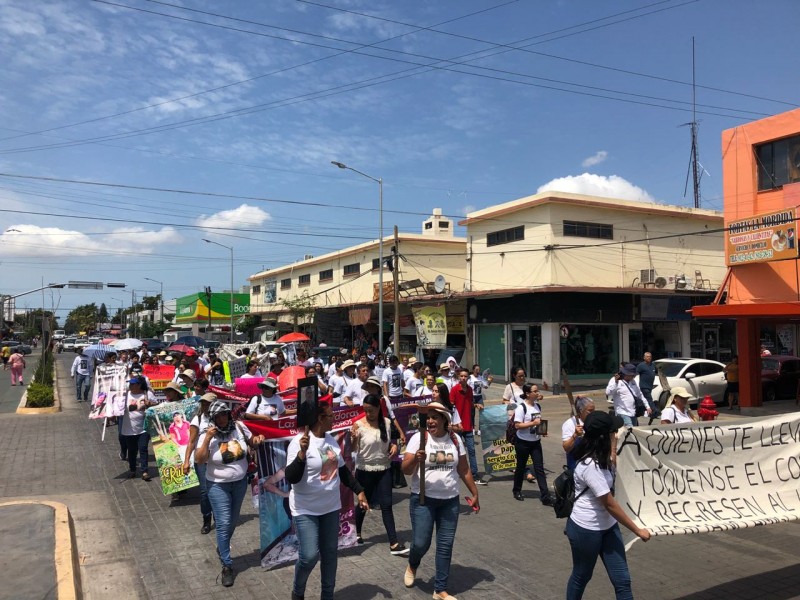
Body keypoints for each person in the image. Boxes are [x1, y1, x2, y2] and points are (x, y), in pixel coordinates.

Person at [285, 401, 369, 600]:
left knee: (330, 555)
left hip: (330, 507)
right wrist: (301, 455)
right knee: (309, 556)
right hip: (305, 508)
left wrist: (360, 491)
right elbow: (291, 477)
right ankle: (298, 592)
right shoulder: (299, 442)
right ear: (320, 419)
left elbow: (342, 471)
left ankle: (327, 596)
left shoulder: (331, 440)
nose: (334, 419)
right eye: (331, 416)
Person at [565, 411, 650, 600]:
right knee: (582, 575)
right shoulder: (590, 465)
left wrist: (612, 441)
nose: (617, 433)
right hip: (586, 530)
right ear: (604, 436)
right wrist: (637, 530)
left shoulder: (602, 456)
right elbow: (609, 504)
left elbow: (613, 460)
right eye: (613, 431)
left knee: (622, 581)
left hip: (609, 527)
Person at [401, 401, 480, 600]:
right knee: (420, 543)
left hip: (449, 502)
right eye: (428, 417)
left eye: (435, 417)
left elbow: (463, 469)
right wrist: (415, 459)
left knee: (445, 545)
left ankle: (440, 590)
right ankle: (412, 563)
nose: (430, 421)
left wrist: (475, 492)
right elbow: (406, 470)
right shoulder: (419, 438)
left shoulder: (455, 440)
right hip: (423, 500)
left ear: (445, 420)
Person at [195, 400, 265, 587]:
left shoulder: (239, 428)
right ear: (213, 418)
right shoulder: (207, 434)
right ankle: (227, 565)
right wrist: (209, 439)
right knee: (224, 522)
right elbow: (200, 459)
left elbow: (252, 442)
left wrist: (257, 441)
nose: (222, 418)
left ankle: (222, 544)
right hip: (218, 485)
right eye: (218, 416)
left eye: (224, 414)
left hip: (240, 483)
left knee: (232, 522)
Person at [350, 394, 409, 555]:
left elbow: (391, 442)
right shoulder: (358, 425)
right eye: (366, 411)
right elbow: (354, 449)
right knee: (363, 504)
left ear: (378, 408)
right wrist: (354, 439)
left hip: (384, 468)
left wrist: (394, 447)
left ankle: (394, 542)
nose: (369, 414)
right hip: (365, 470)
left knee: (386, 505)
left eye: (372, 410)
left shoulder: (387, 423)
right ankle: (357, 533)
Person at [512, 383, 554, 505]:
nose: (537, 393)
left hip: (535, 442)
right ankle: (517, 490)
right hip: (523, 443)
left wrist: (542, 431)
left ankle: (545, 496)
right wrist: (532, 423)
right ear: (528, 394)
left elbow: (538, 423)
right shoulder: (521, 408)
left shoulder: (537, 406)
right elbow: (517, 425)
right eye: (535, 391)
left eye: (537, 390)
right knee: (521, 467)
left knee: (539, 468)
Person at [182, 391, 216, 535]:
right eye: (204, 403)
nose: (206, 405)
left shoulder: (222, 418)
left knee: (217, 489)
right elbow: (191, 441)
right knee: (204, 490)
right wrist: (186, 461)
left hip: (217, 458)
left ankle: (219, 516)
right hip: (201, 459)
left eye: (209, 403)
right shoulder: (198, 418)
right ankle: (206, 518)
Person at [449, 368, 485, 485]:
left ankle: (474, 474)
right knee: (455, 450)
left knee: (472, 450)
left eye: (465, 376)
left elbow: (469, 403)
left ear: (468, 378)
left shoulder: (470, 390)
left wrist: (476, 405)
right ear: (459, 377)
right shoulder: (454, 390)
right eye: (462, 376)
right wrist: (454, 424)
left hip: (468, 425)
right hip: (457, 426)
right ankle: (453, 472)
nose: (463, 378)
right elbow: (451, 408)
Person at [120, 375, 158, 480]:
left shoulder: (147, 394)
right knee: (132, 450)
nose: (131, 385)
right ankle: (132, 469)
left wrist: (150, 405)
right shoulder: (125, 395)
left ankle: (144, 471)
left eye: (133, 384)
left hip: (143, 428)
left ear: (139, 385)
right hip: (129, 428)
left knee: (143, 449)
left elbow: (157, 406)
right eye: (130, 383)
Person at [562, 396, 595, 471]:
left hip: (591, 465)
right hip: (576, 465)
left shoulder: (594, 422)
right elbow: (566, 448)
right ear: (581, 410)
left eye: (594, 410)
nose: (593, 413)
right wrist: (575, 435)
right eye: (590, 411)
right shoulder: (570, 424)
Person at [468, 364, 492, 436]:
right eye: (476, 370)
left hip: (479, 397)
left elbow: (486, 387)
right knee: (472, 414)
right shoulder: (470, 377)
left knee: (481, 412)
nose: (478, 371)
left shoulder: (481, 378)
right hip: (472, 397)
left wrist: (489, 381)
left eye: (479, 370)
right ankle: (472, 428)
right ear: (473, 370)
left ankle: (479, 429)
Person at [635, 352, 658, 417]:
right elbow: (635, 374)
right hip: (643, 386)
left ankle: (643, 411)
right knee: (649, 399)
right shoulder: (641, 366)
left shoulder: (653, 365)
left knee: (644, 400)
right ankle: (655, 412)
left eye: (650, 356)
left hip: (650, 386)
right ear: (644, 357)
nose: (649, 358)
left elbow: (657, 372)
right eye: (647, 356)